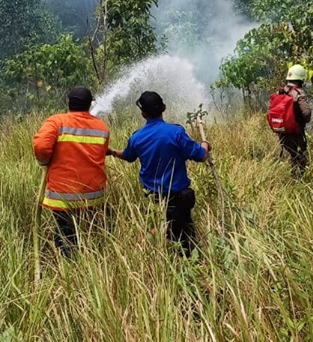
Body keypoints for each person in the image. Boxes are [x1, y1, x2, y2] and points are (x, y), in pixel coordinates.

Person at [108, 91, 210, 256]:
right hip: (178, 198)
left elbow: (128, 156)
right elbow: (201, 155)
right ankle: (141, 248)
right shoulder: (176, 133)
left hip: (154, 197)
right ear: (164, 107)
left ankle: (150, 253)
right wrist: (205, 144)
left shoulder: (137, 138)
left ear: (143, 113)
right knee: (184, 242)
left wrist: (112, 151)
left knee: (172, 230)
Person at [33, 86, 110, 256]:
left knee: (66, 236)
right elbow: (102, 152)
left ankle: (69, 269)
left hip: (63, 197)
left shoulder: (56, 122)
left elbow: (40, 146)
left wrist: (44, 160)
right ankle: (91, 264)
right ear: (90, 104)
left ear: (69, 103)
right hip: (93, 197)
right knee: (91, 235)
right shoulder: (102, 127)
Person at [267, 64, 311, 174]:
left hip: (282, 133)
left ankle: (288, 179)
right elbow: (307, 114)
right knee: (300, 159)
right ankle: (298, 181)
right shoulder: (298, 93)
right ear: (301, 79)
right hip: (296, 133)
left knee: (289, 156)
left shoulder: (280, 92)